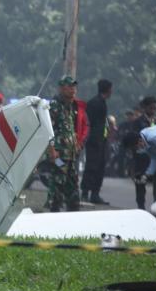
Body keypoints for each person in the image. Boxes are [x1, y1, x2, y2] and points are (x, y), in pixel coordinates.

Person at [46, 75, 82, 212]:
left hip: (71, 157)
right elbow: (47, 130)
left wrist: (76, 144)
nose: (73, 90)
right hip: (59, 157)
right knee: (58, 183)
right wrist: (51, 150)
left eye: (74, 86)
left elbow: (69, 129)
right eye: (70, 86)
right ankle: (53, 213)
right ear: (61, 88)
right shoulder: (54, 106)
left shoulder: (71, 106)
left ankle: (73, 214)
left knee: (73, 186)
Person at [81, 79, 112, 204]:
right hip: (94, 141)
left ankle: (95, 194)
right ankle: (85, 193)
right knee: (91, 166)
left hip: (101, 140)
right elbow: (89, 122)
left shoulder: (102, 103)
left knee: (100, 167)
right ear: (108, 89)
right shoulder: (95, 103)